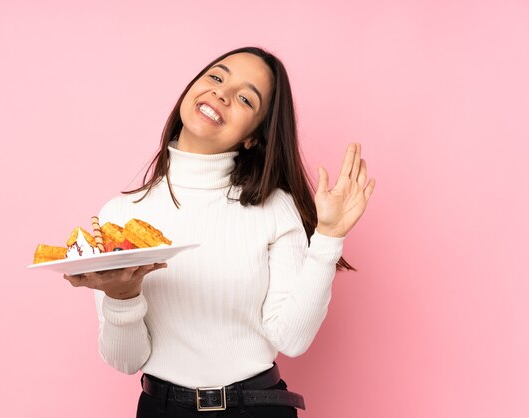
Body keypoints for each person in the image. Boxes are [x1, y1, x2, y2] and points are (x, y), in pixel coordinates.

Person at [64, 46, 375, 417]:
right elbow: (127, 361)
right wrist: (122, 296)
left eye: (245, 98)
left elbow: (291, 339)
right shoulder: (121, 216)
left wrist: (328, 237)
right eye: (216, 76)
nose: (221, 93)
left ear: (253, 138)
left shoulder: (275, 209)